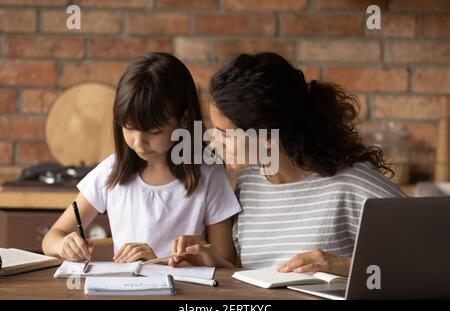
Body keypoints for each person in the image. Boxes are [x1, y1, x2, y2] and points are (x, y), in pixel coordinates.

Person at [169, 52, 405, 276]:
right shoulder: (249, 185)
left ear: (268, 139)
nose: (213, 144)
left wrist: (345, 265)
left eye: (226, 134)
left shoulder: (352, 184)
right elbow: (258, 274)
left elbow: (433, 256)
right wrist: (215, 262)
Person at [42, 53, 241, 265]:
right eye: (129, 128)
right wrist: (63, 245)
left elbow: (226, 261)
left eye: (153, 131)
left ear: (183, 120)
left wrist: (161, 262)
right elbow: (51, 238)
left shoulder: (208, 174)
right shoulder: (112, 171)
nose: (139, 142)